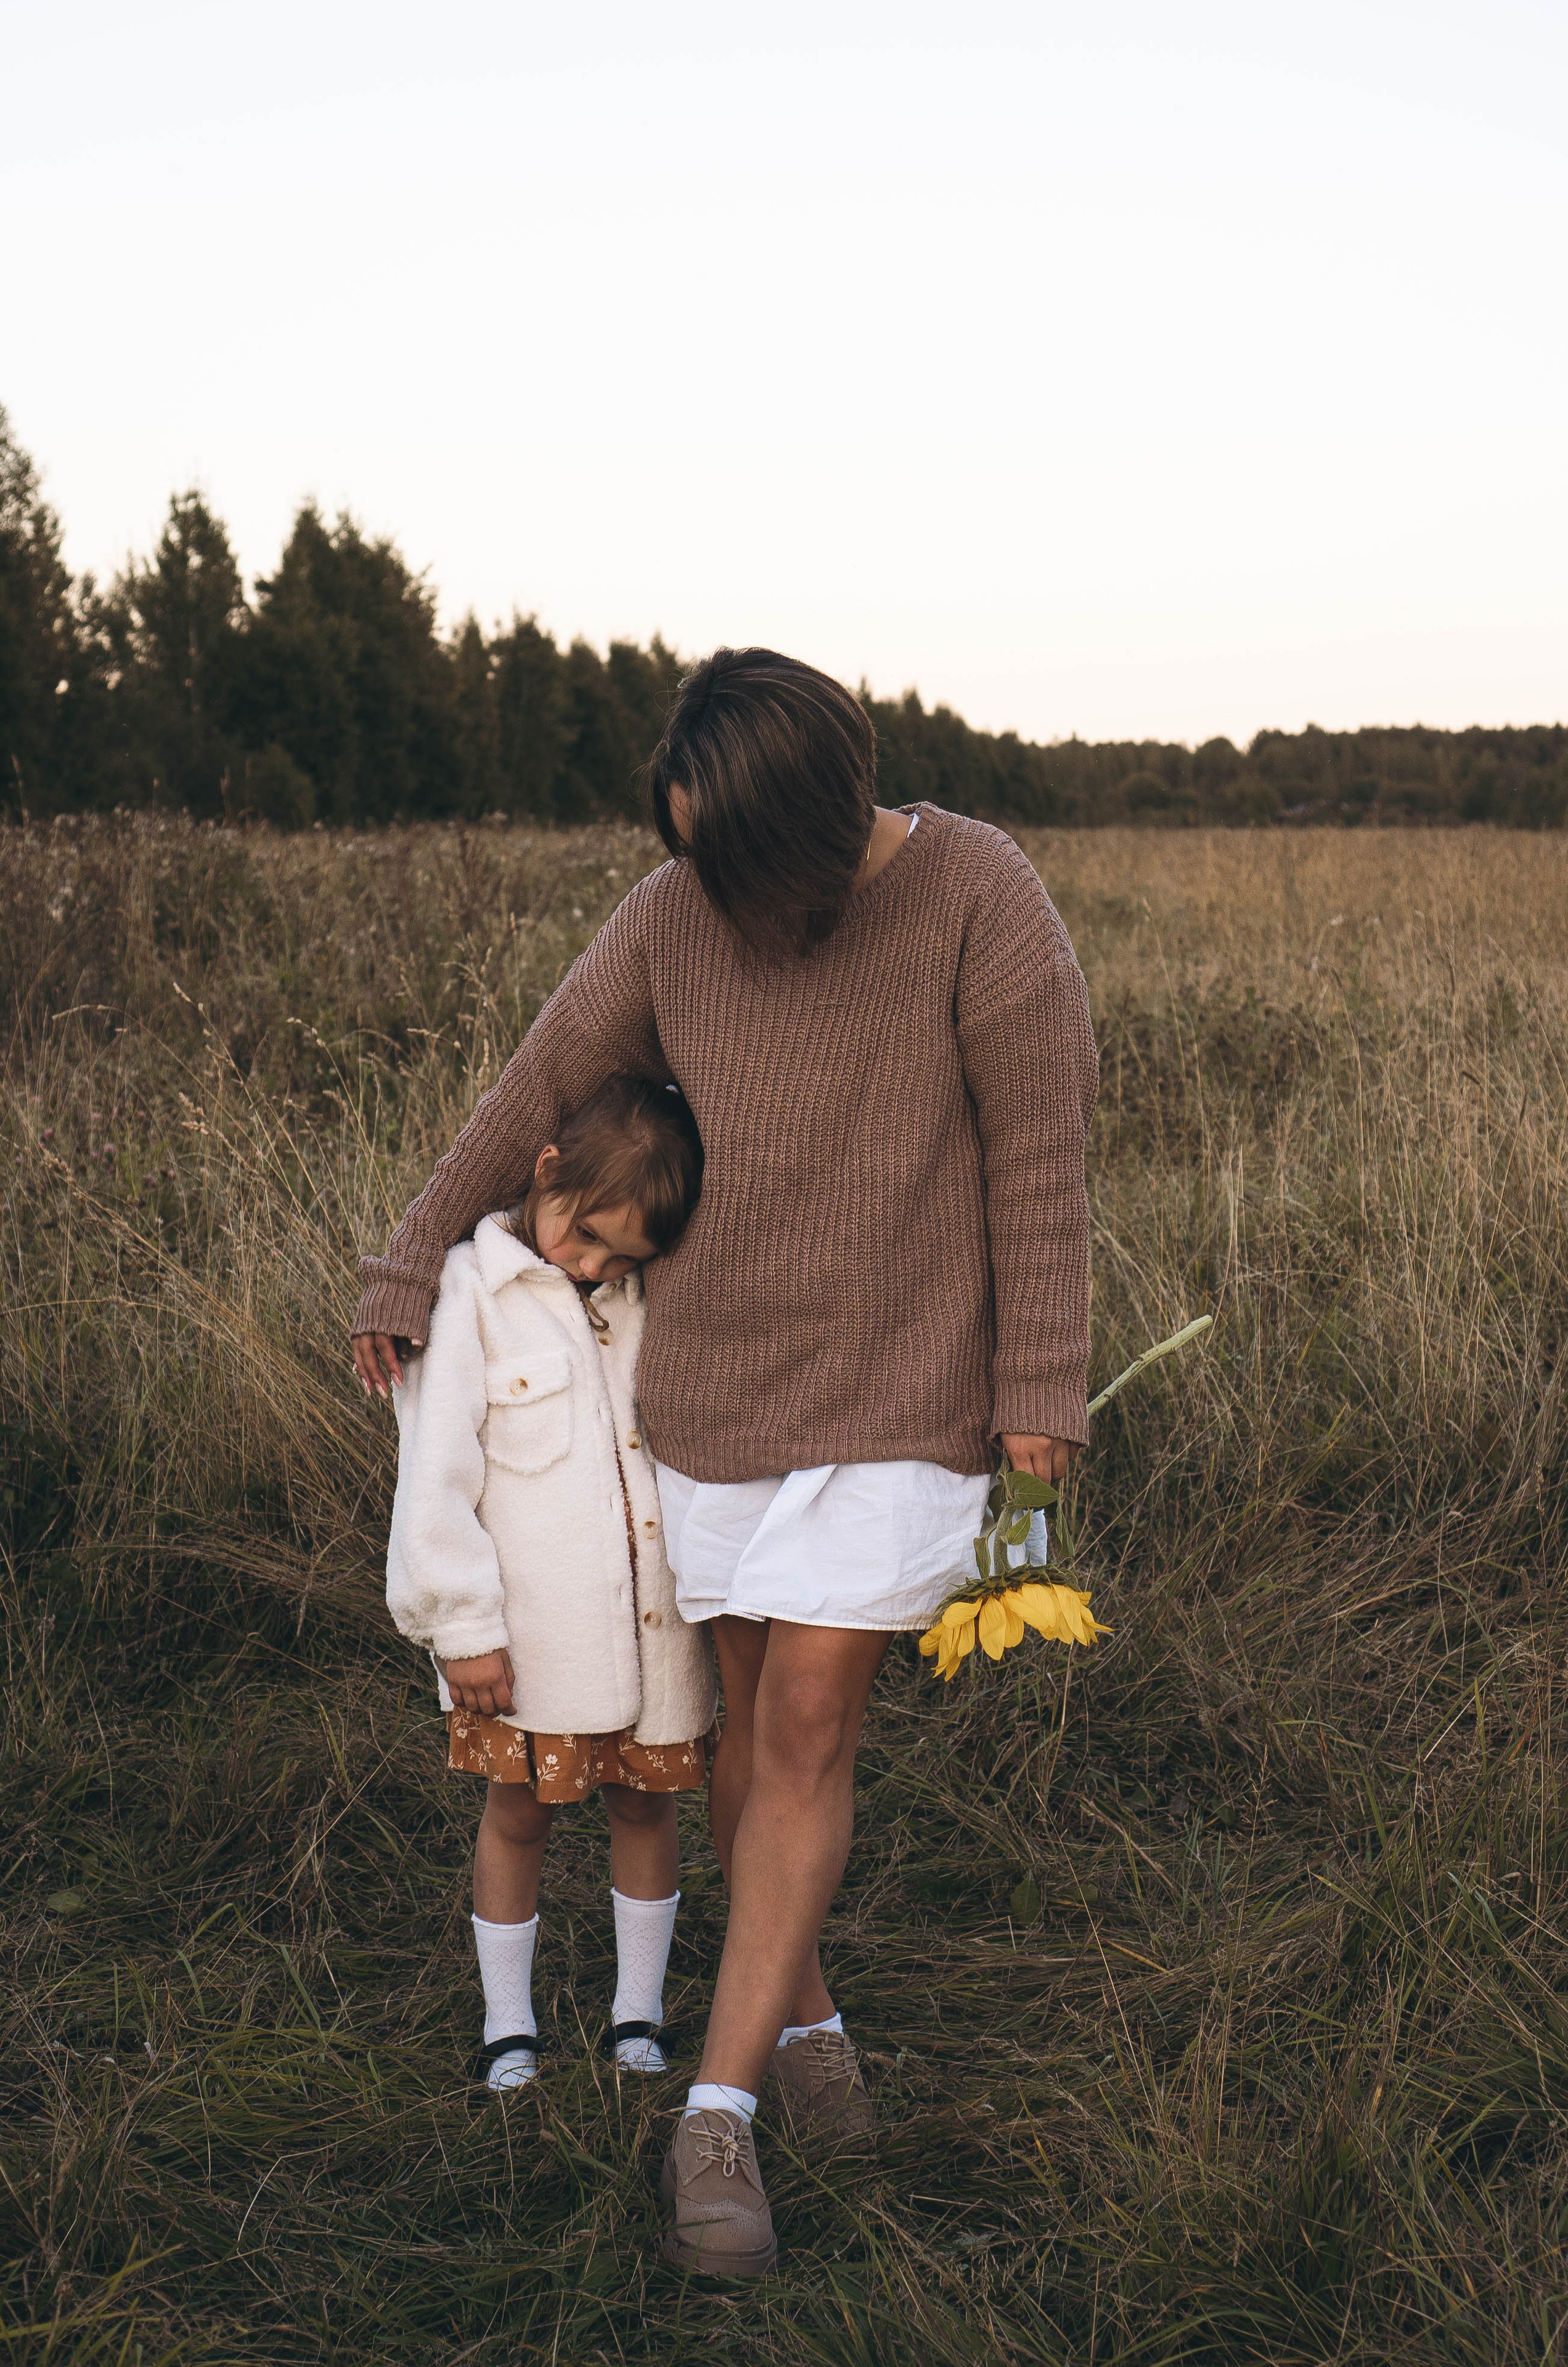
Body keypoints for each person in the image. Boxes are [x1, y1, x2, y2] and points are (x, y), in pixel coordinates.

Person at [353, 647, 1099, 2277]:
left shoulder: (980, 894)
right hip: (714, 1394)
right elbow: (544, 1083)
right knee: (754, 1737)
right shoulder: (673, 915)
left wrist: (1042, 1376)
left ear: (812, 828)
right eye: (686, 849)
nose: (703, 883)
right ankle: (807, 2004)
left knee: (814, 1719)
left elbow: (1041, 1150)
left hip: (906, 1387)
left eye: (726, 855)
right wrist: (416, 1259)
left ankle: (724, 2111)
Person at [383, 1074, 716, 2093]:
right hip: (530, 1644)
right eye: (586, 1237)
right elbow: (436, 1473)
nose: (596, 1265)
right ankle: (509, 2023)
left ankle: (636, 2017)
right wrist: (462, 1626)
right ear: (546, 1176)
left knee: (646, 1813)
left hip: (654, 1635)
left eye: (624, 1258)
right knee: (519, 1814)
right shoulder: (471, 1291)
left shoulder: (643, 1299)